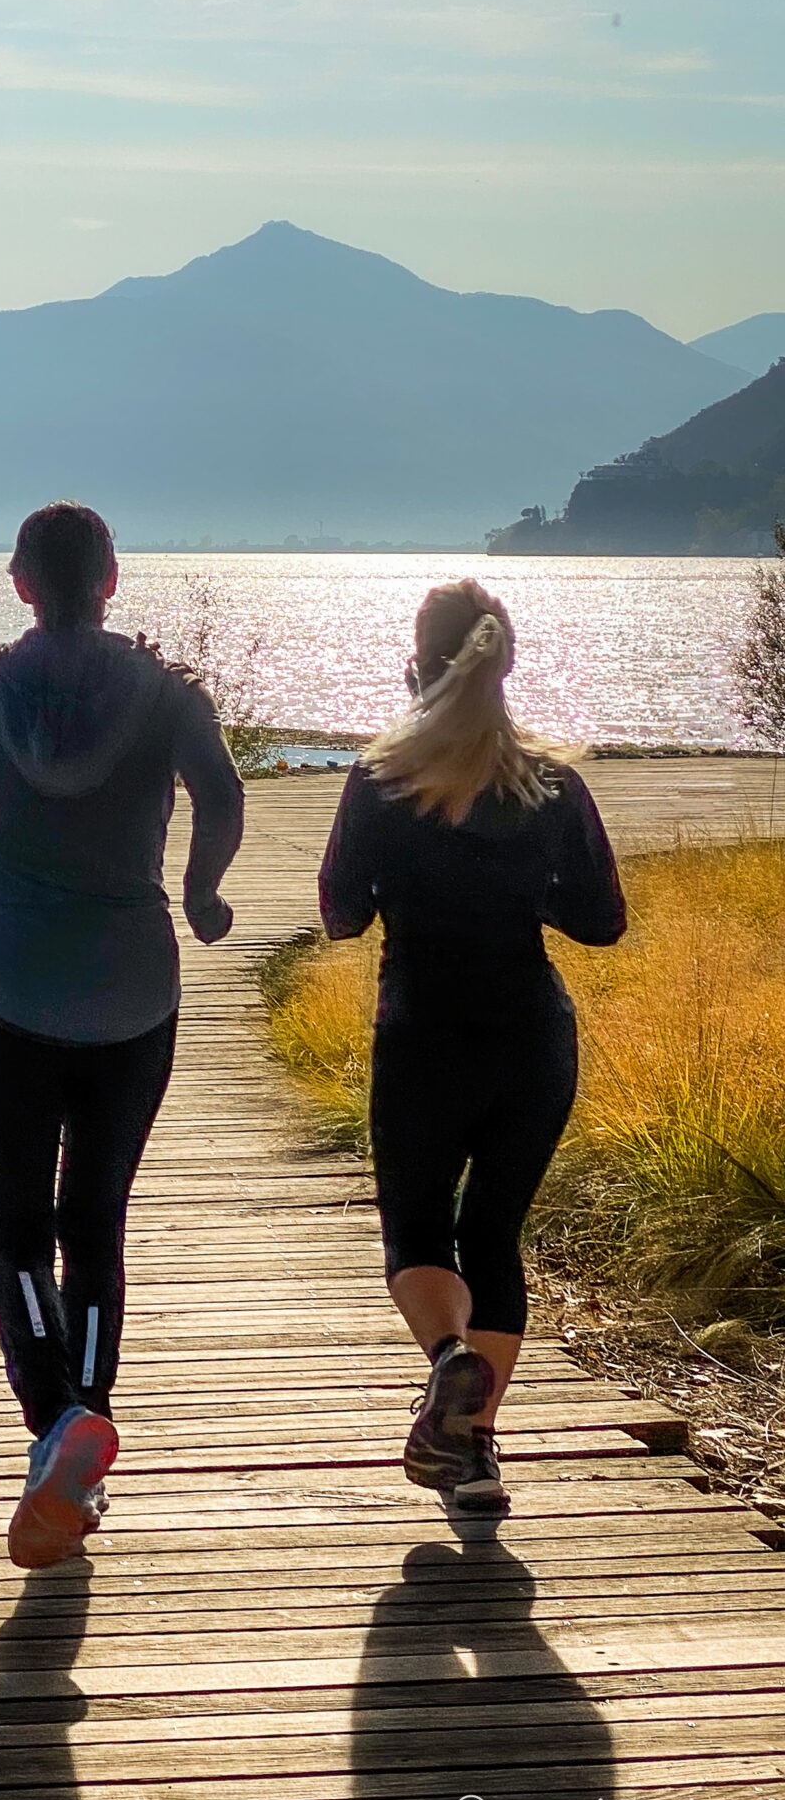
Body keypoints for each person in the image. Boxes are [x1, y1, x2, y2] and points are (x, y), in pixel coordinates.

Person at [0, 501, 244, 1568]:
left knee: (14, 1230)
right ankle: (83, 1413)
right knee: (96, 1224)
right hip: (135, 986)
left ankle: (57, 1422)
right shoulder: (165, 689)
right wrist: (199, 889)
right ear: (111, 578)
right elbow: (223, 792)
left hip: (10, 987)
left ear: (17, 583)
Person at [317, 579, 627, 1519]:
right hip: (532, 1040)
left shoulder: (381, 779)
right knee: (493, 1234)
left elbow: (338, 914)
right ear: (507, 667)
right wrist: (527, 891)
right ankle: (476, 1453)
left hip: (422, 1036)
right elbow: (602, 921)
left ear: (413, 666)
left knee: (415, 1226)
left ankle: (450, 1363)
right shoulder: (550, 782)